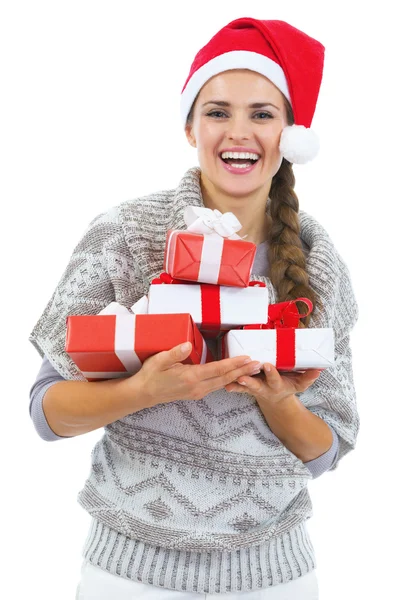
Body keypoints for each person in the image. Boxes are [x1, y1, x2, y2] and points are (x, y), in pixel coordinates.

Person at [28, 17, 359, 600]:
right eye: (217, 111)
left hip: (275, 577)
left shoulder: (317, 259)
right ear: (189, 127)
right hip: (128, 575)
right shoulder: (128, 235)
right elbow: (46, 412)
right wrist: (144, 391)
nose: (239, 132)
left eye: (262, 113)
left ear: (289, 132)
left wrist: (279, 400)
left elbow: (324, 448)